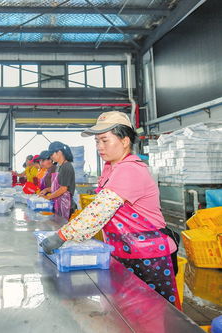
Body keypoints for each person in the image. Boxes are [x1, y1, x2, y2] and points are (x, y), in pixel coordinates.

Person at [40, 111, 181, 310]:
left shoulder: (130, 169)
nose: (99, 147)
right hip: (126, 250)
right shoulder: (111, 168)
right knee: (127, 314)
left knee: (153, 316)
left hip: (148, 257)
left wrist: (61, 236)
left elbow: (100, 211)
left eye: (105, 140)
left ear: (124, 141)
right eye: (97, 141)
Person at [41, 142, 75, 219]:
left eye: (52, 154)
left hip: (67, 205)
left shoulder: (67, 166)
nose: (51, 157)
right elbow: (57, 186)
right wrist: (46, 190)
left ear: (59, 152)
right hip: (60, 203)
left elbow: (63, 189)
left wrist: (49, 197)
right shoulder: (60, 167)